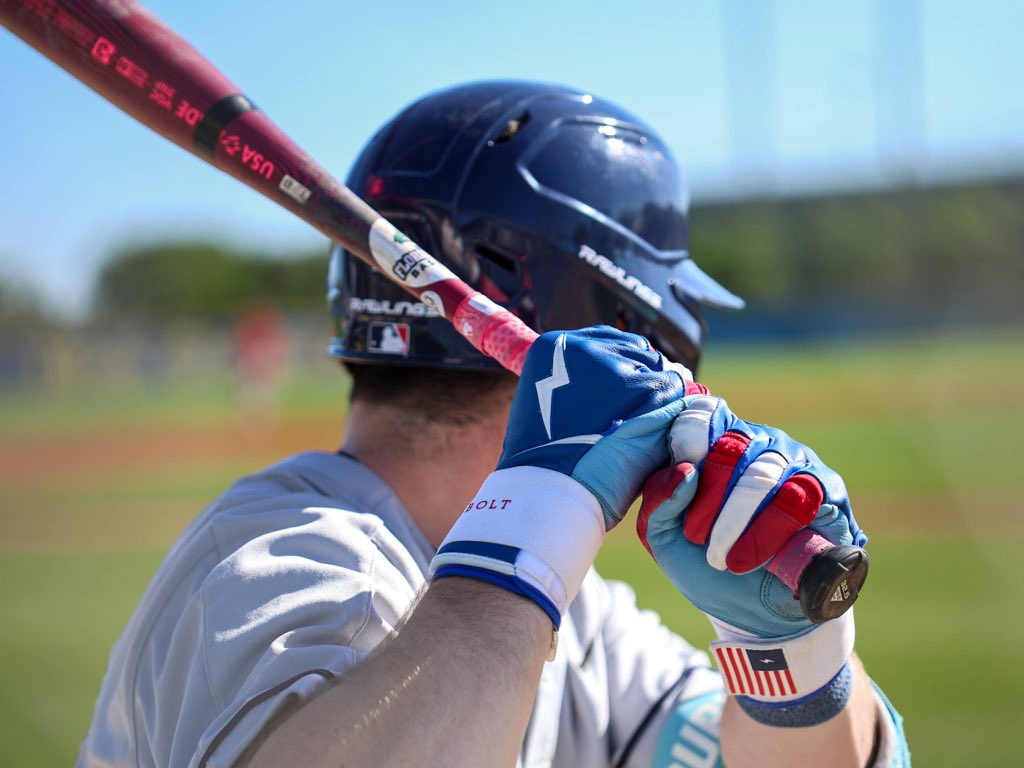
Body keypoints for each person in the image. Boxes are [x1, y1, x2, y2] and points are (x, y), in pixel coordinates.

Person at [79, 81, 909, 767]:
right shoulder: (285, 561)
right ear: (625, 330)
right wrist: (535, 523)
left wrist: (792, 664)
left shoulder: (575, 623)